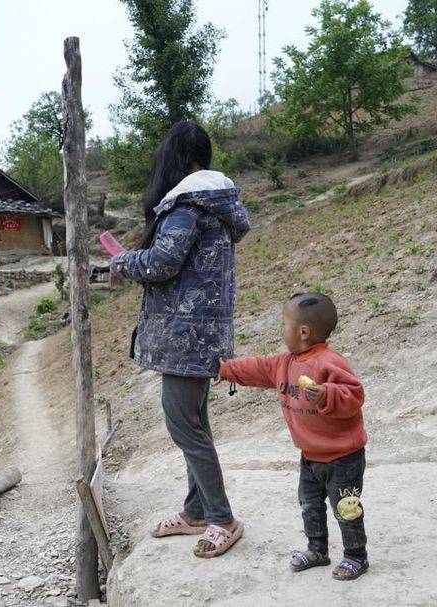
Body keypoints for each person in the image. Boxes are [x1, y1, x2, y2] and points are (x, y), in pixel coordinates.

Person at [109, 120, 250, 558]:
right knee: (196, 424)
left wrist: (123, 261)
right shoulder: (214, 205)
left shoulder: (187, 207)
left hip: (185, 337)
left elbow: (162, 263)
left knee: (184, 427)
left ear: (174, 159)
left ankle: (222, 520)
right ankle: (194, 512)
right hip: (202, 334)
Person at [218, 292, 369, 581]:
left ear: (302, 332)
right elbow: (256, 368)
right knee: (310, 505)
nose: (281, 330)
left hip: (344, 458)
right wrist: (226, 370)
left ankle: (355, 556)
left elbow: (354, 396)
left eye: (283, 324)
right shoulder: (284, 363)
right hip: (310, 456)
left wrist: (327, 393)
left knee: (346, 509)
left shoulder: (329, 362)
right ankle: (317, 550)